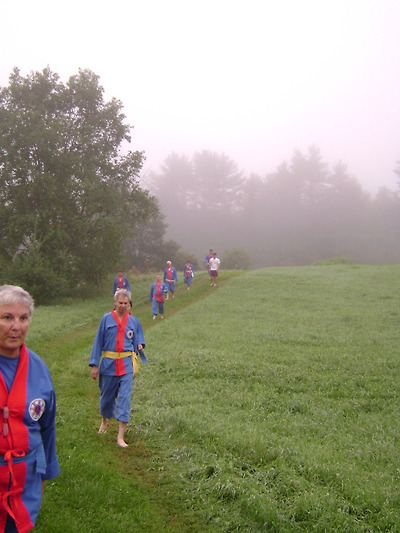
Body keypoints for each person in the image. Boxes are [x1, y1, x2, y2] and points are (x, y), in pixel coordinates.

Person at [0, 285, 60, 532]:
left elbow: (47, 428)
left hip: (26, 484)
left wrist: (44, 477)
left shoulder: (39, 370)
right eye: (7, 317)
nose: (16, 326)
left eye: (23, 318)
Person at [89, 289, 146, 448]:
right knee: (107, 398)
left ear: (129, 305)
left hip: (127, 365)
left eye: (125, 303)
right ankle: (105, 421)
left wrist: (139, 345)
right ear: (115, 303)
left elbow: (138, 339)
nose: (123, 306)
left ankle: (120, 436)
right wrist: (95, 365)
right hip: (108, 365)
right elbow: (97, 342)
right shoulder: (106, 320)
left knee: (124, 398)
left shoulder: (133, 322)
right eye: (120, 303)